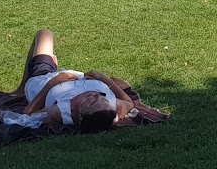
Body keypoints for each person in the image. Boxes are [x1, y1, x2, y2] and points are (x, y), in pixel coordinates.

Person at [18, 29, 156, 132]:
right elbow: (129, 103)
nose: (94, 95)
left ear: (77, 110)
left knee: (44, 34)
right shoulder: (109, 107)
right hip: (75, 77)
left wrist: (55, 82)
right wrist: (105, 80)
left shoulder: (61, 111)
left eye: (89, 100)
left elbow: (28, 114)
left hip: (45, 78)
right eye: (99, 97)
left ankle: (22, 87)